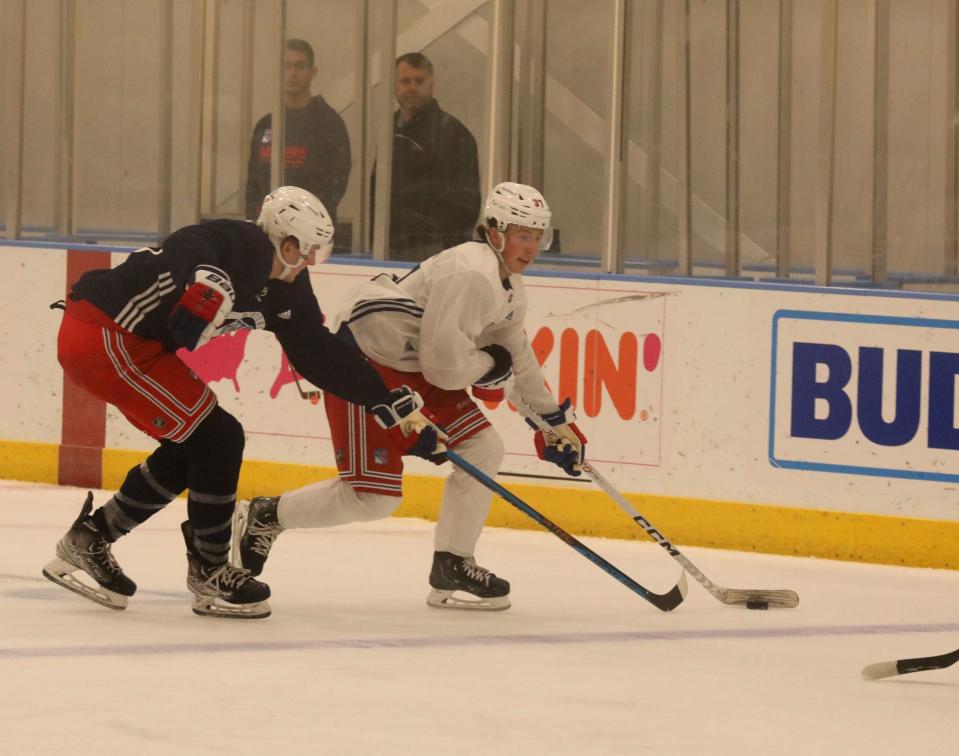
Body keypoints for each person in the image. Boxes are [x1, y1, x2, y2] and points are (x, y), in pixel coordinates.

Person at [43, 186, 440, 619]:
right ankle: (210, 571)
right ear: (282, 241)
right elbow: (189, 244)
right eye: (303, 251)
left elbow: (316, 352)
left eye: (315, 255)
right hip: (103, 335)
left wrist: (385, 404)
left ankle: (90, 538)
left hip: (133, 344)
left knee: (196, 446)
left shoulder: (288, 289)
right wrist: (204, 274)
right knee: (218, 437)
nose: (307, 263)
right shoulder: (244, 244)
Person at [233, 182, 588, 611]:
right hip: (366, 364)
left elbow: (513, 354)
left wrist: (552, 422)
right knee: (374, 498)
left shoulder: (508, 285)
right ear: (495, 232)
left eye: (537, 236)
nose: (530, 247)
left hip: (416, 366)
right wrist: (491, 367)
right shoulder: (472, 272)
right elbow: (449, 367)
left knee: (483, 448)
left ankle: (452, 564)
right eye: (522, 235)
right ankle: (267, 515)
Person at [372, 52, 481, 262]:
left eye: (419, 81)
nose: (412, 87)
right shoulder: (388, 130)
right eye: (405, 81)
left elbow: (466, 205)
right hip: (388, 246)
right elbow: (376, 190)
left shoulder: (454, 134)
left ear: (431, 84)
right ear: (394, 85)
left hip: (434, 251)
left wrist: (442, 250)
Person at [245, 39, 351, 225]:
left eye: (300, 66)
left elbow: (336, 184)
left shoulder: (329, 124)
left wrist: (302, 220)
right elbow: (253, 183)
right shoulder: (266, 124)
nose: (292, 73)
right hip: (267, 230)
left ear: (312, 72)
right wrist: (256, 222)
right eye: (287, 66)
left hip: (311, 234)